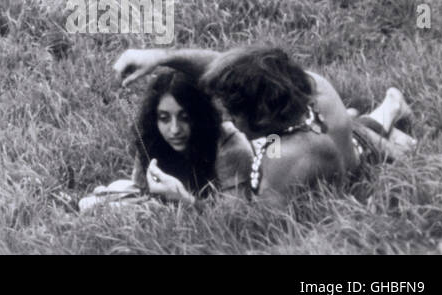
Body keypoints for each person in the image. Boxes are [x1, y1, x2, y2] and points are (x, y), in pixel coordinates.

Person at [114, 46, 414, 208]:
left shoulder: (288, 157)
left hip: (357, 157)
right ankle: (390, 107)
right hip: (348, 134)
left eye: (234, 112)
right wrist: (161, 58)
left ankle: (391, 117)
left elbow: (249, 228)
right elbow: (221, 68)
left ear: (259, 112)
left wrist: (186, 200)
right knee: (355, 126)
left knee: (365, 136)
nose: (229, 119)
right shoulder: (297, 87)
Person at [79, 69, 252, 213]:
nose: (175, 129)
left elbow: (235, 215)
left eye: (185, 117)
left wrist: (184, 200)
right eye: (164, 118)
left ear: (200, 116)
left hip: (207, 216)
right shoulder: (151, 135)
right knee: (111, 191)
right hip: (172, 208)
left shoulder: (229, 144)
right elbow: (142, 189)